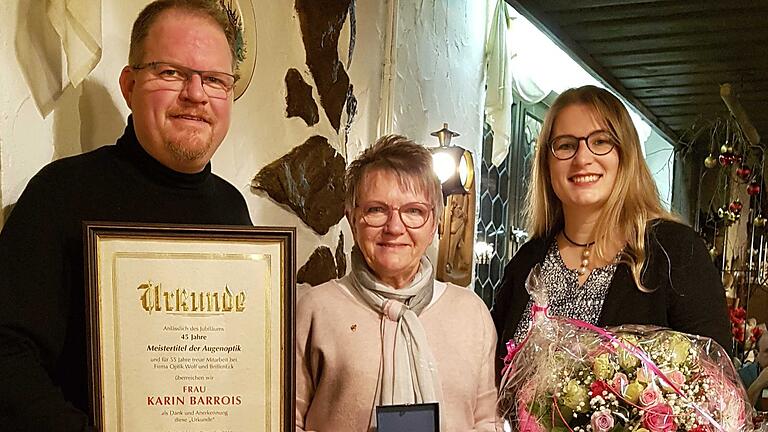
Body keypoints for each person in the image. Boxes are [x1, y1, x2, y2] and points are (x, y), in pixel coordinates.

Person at [0, 1, 252, 429]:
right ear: (129, 85)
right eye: (170, 72)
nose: (195, 94)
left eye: (214, 80)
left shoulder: (232, 209)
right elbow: (7, 354)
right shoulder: (60, 193)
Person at [491, 85, 731, 373]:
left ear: (625, 155)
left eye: (601, 141)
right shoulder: (527, 262)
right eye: (566, 145)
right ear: (547, 162)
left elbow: (717, 383)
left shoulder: (676, 251)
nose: (582, 158)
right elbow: (493, 376)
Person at [295, 135, 499, 431]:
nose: (394, 227)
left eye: (414, 211)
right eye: (376, 210)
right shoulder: (316, 308)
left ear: (435, 224)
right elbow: (288, 418)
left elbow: (486, 420)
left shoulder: (471, 313)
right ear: (352, 219)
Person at [739, 329, 768, 408]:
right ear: (756, 355)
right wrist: (758, 384)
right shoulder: (743, 377)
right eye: (767, 351)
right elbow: (741, 411)